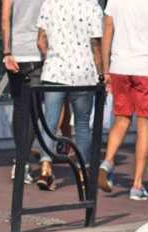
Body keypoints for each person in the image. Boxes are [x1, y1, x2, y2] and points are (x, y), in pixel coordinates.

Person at [98, 0, 148, 201]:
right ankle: (137, 185)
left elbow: (107, 31)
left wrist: (106, 69)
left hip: (120, 67)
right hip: (147, 69)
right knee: (144, 126)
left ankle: (107, 161)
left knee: (121, 119)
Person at [33, 0, 104, 190]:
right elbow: (96, 44)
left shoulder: (50, 3)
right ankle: (82, 171)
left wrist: (54, 57)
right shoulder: (92, 6)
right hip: (84, 74)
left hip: (55, 71)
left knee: (50, 121)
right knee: (82, 123)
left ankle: (45, 169)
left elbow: (41, 41)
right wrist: (102, 73)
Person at [2, 0, 46, 184]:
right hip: (38, 54)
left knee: (20, 109)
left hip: (17, 54)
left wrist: (6, 52)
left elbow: (5, 19)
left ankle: (20, 162)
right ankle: (22, 162)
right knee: (34, 113)